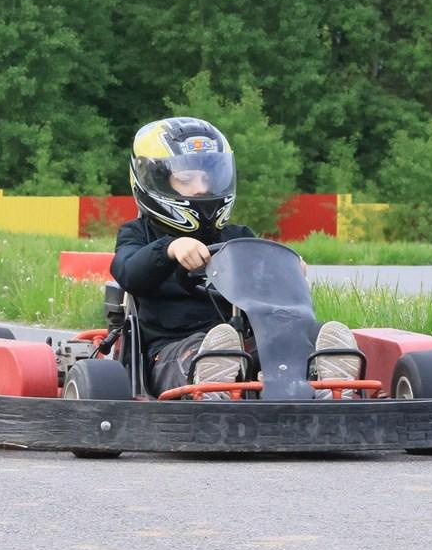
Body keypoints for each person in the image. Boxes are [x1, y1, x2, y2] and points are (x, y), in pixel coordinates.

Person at [112, 116, 363, 392]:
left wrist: (286, 271)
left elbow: (266, 289)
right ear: (156, 181)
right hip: (172, 351)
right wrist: (170, 248)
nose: (200, 188)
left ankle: (327, 378)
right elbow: (127, 271)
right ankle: (212, 383)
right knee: (204, 354)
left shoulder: (236, 236)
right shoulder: (139, 234)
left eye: (207, 178)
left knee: (290, 342)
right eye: (186, 179)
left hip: (246, 346)